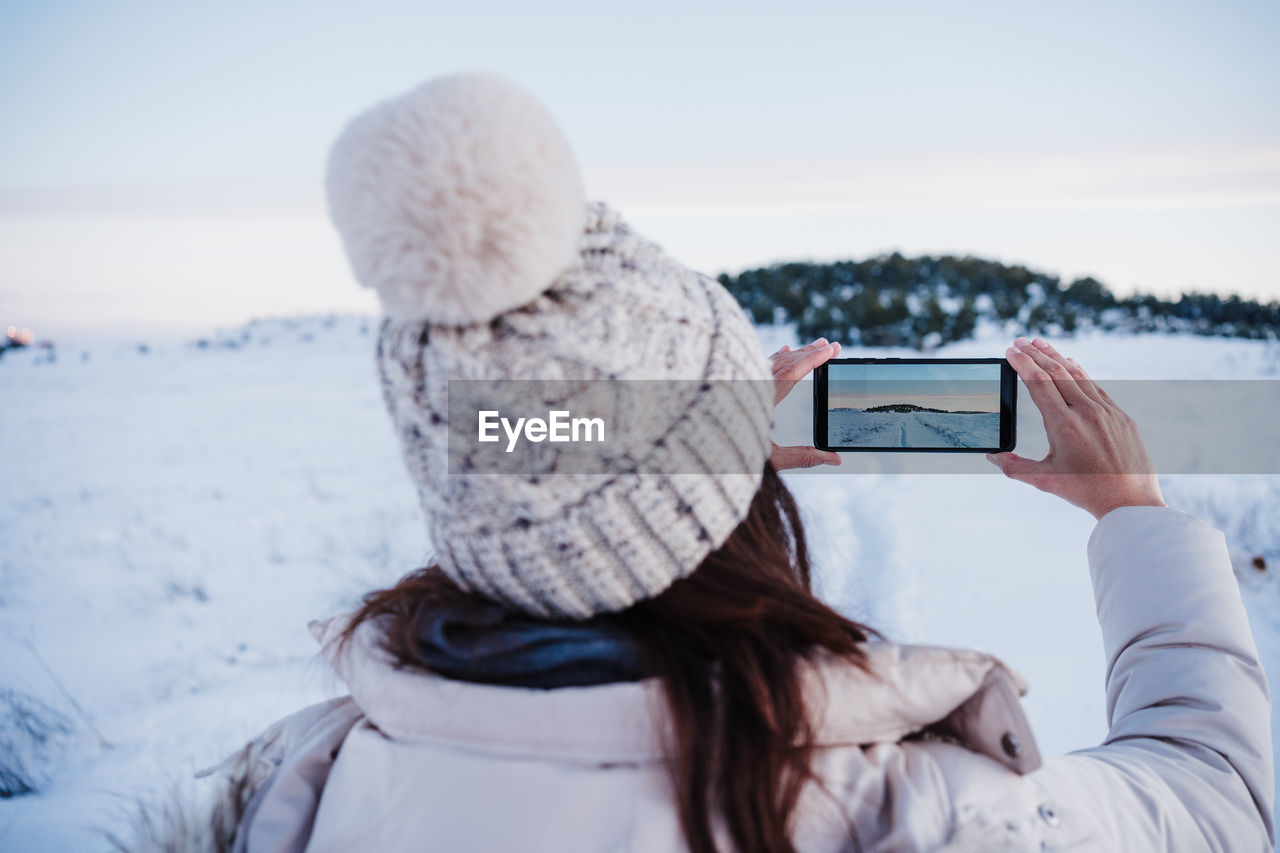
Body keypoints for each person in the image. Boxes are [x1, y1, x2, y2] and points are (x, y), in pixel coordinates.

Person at [188, 74, 1272, 852]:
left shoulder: (292, 787)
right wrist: (1131, 515)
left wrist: (677, 461)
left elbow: (538, 455)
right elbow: (1214, 798)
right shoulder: (922, 808)